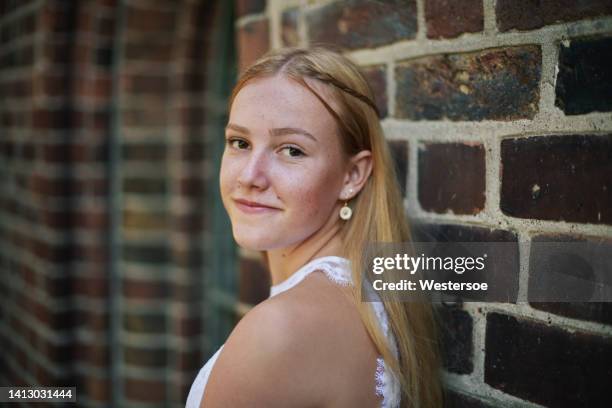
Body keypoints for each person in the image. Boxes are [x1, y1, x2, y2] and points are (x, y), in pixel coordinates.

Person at [186, 46, 442, 408]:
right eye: (239, 142)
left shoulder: (281, 328)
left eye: (291, 150)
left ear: (352, 175)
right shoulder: (365, 297)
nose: (249, 176)